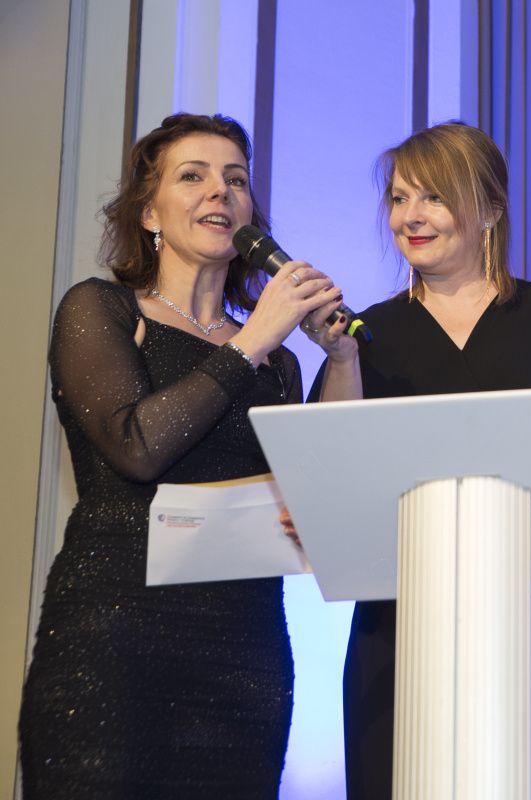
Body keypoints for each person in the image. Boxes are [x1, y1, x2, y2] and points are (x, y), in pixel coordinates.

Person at [307, 121, 531, 799]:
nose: (410, 216)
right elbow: (329, 481)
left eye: (434, 197)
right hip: (406, 625)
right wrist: (341, 360)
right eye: (399, 198)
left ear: (492, 209)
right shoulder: (366, 336)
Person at [18, 112, 352, 798]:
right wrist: (250, 341)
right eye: (193, 177)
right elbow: (138, 447)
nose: (220, 192)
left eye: (236, 180)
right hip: (112, 644)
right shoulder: (102, 310)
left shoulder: (279, 361)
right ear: (149, 214)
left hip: (245, 655)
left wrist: (341, 356)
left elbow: (322, 495)